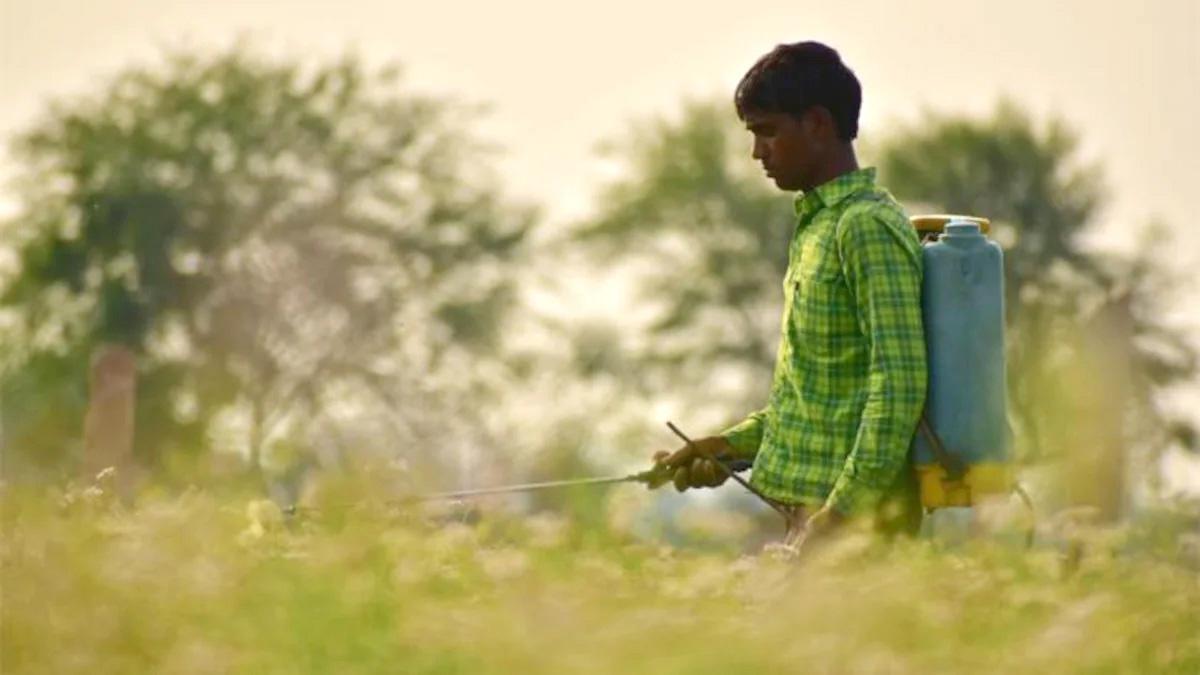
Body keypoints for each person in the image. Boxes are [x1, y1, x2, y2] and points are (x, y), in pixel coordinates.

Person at [651, 41, 927, 552]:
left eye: (768, 132)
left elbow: (899, 385)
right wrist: (728, 447)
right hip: (814, 522)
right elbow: (817, 398)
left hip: (856, 531)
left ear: (818, 124)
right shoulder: (818, 226)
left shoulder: (866, 226)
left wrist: (843, 514)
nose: (758, 152)